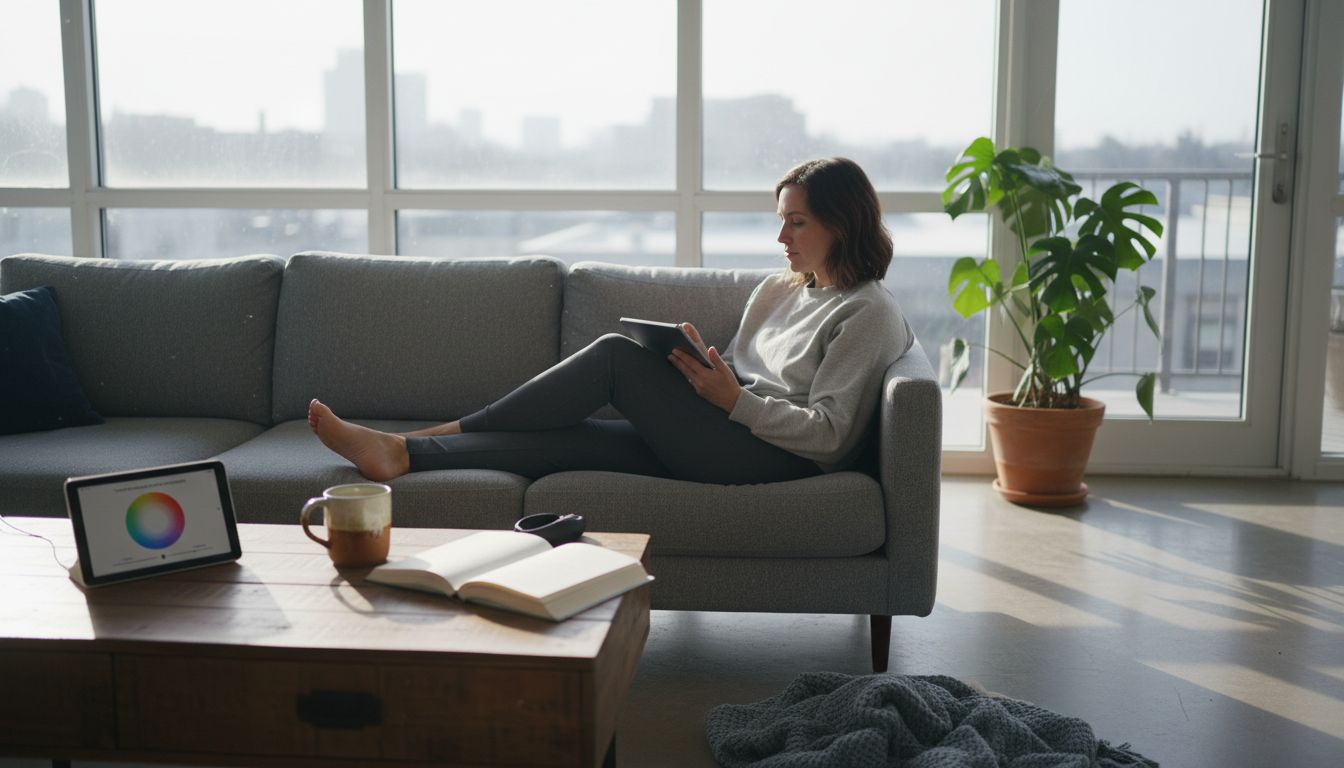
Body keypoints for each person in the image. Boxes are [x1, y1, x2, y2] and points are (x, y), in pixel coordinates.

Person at [308, 157, 913, 485]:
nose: (781, 236)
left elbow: (830, 435)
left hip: (774, 458)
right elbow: (745, 376)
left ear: (843, 222)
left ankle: (438, 432)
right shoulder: (781, 290)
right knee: (574, 443)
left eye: (798, 222)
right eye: (781, 220)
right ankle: (402, 454)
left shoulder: (867, 313)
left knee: (614, 357)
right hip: (725, 430)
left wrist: (733, 402)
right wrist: (708, 372)